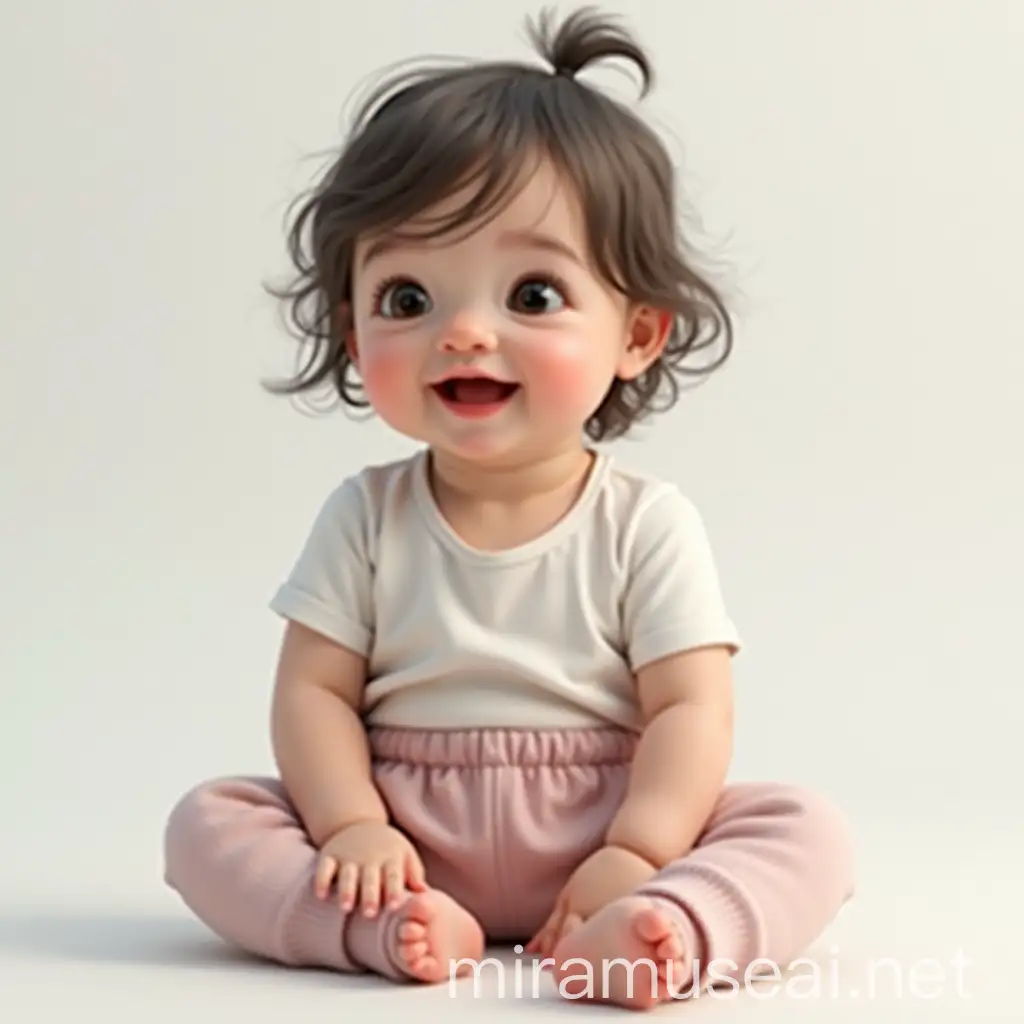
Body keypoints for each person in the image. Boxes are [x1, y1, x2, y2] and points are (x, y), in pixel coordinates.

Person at [162, 6, 854, 1010]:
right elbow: (312, 693)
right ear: (355, 338)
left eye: (532, 295)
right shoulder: (365, 516)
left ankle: (660, 928)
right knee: (208, 822)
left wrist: (639, 847)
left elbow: (689, 707)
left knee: (804, 827)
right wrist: (355, 825)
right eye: (408, 299)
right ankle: (386, 927)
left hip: (601, 831)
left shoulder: (643, 523)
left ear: (639, 332)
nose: (465, 334)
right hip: (407, 838)